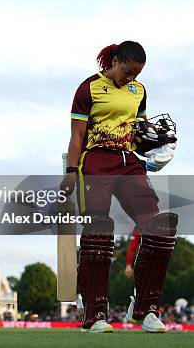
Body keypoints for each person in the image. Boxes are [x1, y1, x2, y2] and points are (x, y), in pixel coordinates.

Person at [61, 41, 178, 333]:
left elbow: (139, 129)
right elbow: (77, 136)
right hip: (95, 162)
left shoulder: (138, 91)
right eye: (127, 72)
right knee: (97, 233)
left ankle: (145, 310)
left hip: (128, 162)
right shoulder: (89, 89)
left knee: (159, 229)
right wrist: (71, 172)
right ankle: (94, 315)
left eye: (136, 75)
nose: (130, 80)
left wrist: (158, 144)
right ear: (114, 61)